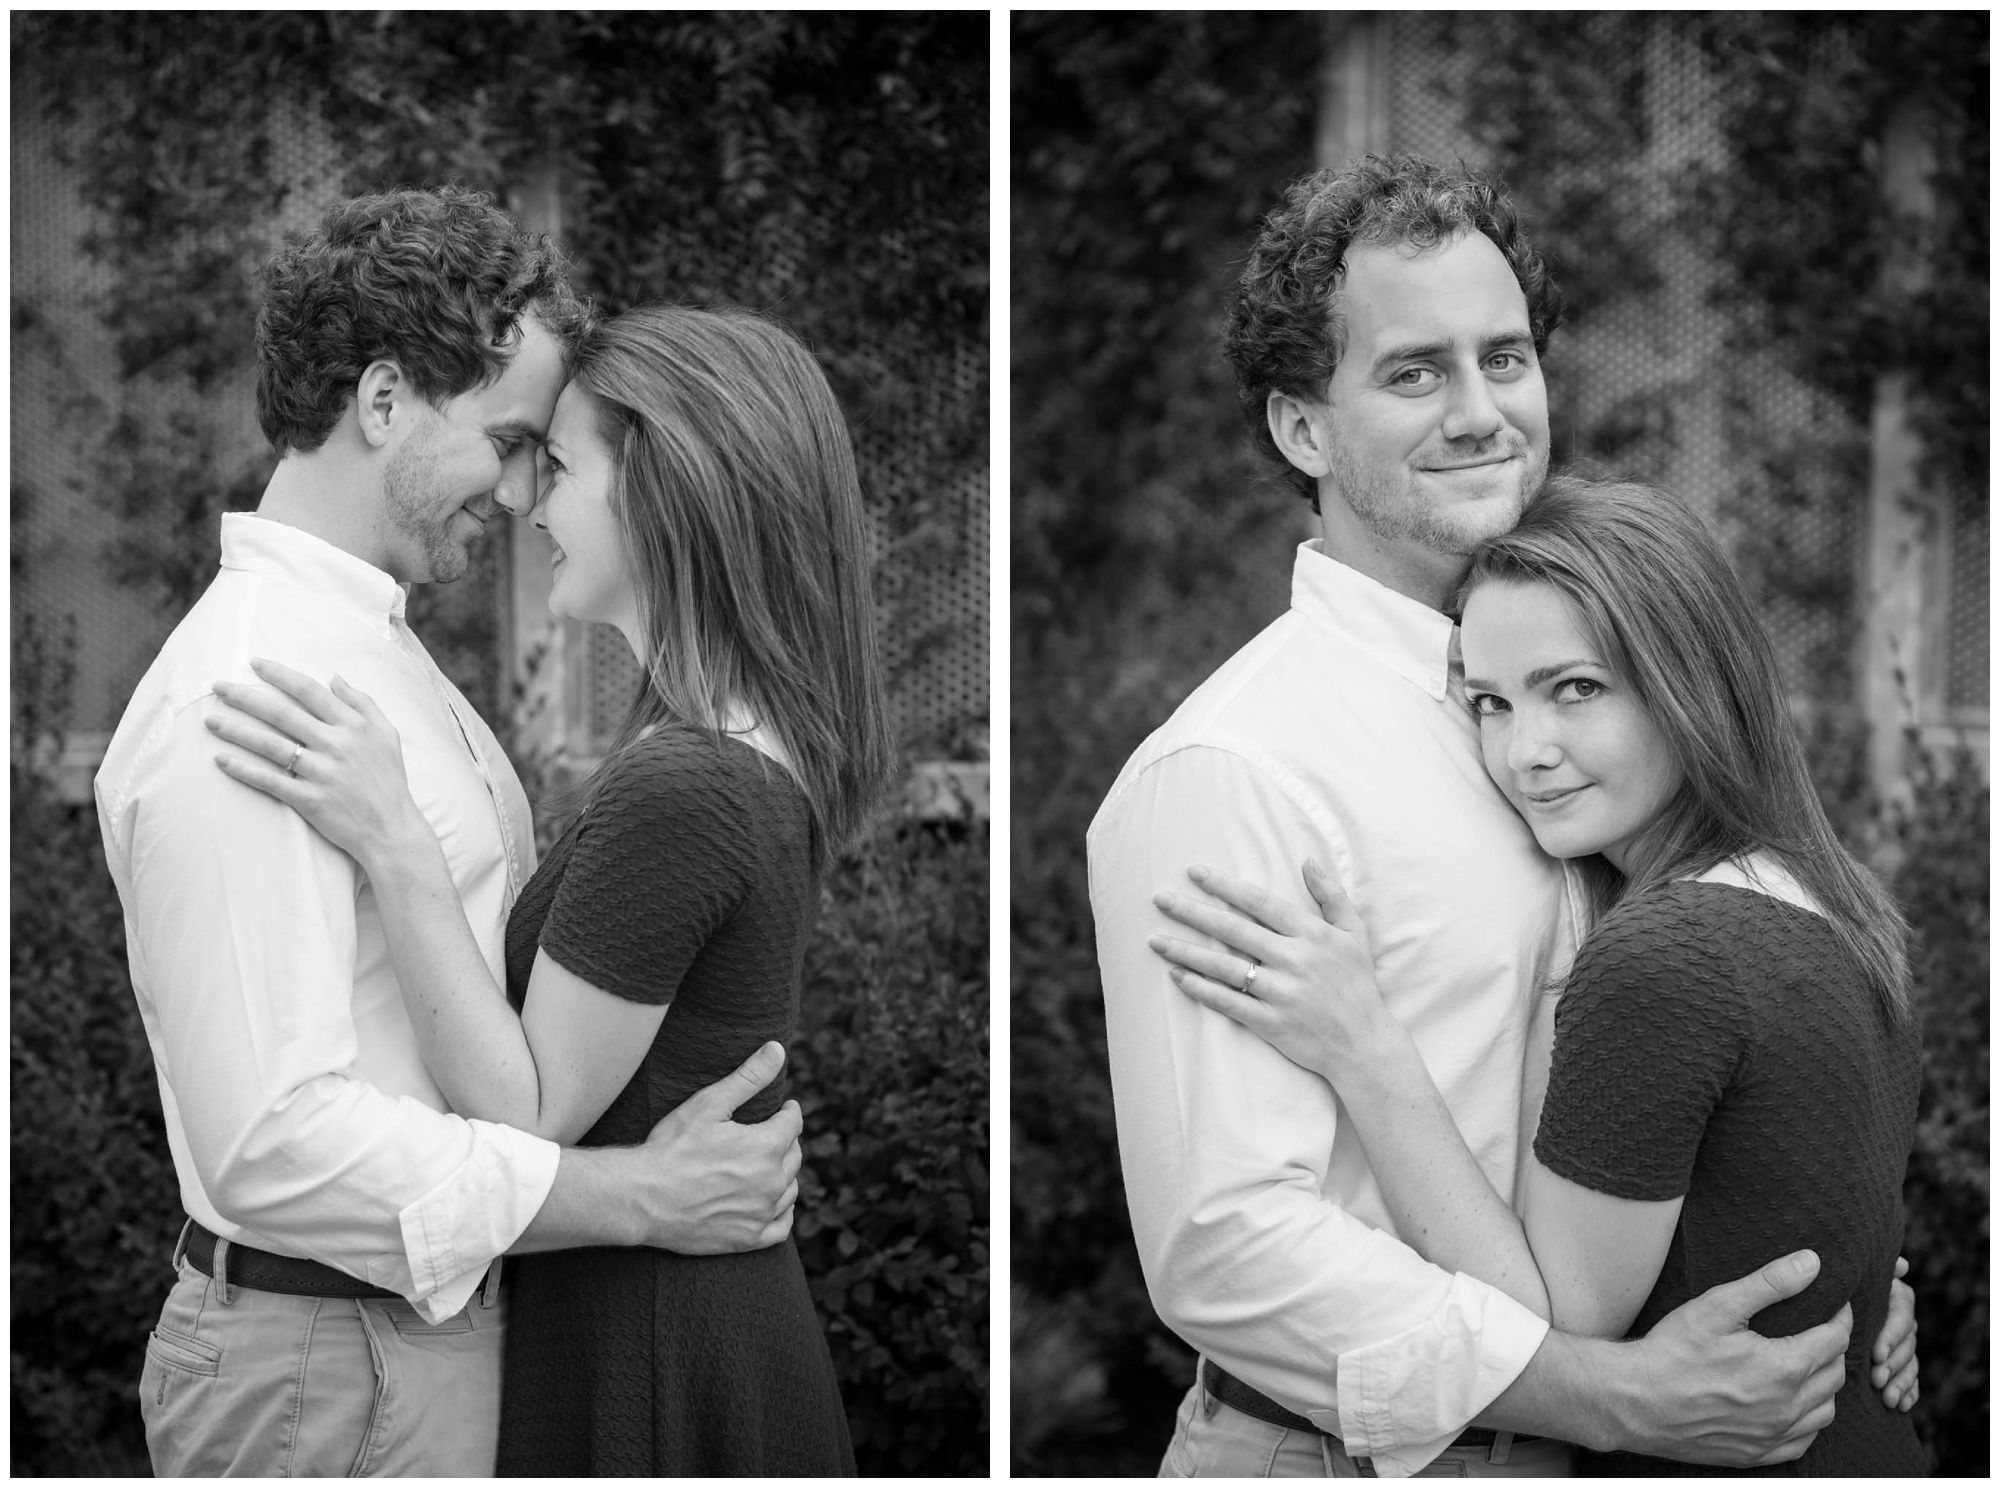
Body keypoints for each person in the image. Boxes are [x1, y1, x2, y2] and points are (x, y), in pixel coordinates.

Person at [1086, 155, 1918, 1478]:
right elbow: (1227, 1244)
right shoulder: (1234, 772)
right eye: (1416, 372)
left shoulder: (1589, 693)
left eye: (1507, 358)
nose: (1483, 412)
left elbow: (1719, 1044)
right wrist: (1598, 1397)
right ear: (1303, 429)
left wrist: (1834, 1265)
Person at [96, 187, 806, 1478]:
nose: (529, 487)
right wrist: (631, 1198)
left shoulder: (375, 656)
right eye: (512, 437)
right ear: (381, 403)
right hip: (323, 1368)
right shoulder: (249, 697)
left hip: (406, 1346)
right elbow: (272, 1140)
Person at [205, 301, 895, 1473]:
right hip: (667, 1313)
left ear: (667, 492)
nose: (527, 504)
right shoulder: (738, 744)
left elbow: (524, 1117)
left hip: (651, 1347)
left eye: (560, 466)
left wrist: (398, 848)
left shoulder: (691, 781)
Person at [1151, 475, 1928, 1476]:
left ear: (1693, 681)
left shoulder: (1665, 958)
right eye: (1488, 701)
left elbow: (1552, 1317)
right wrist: (1872, 1289)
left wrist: (1365, 1049)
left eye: (1575, 690)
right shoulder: (1834, 901)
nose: (1524, 752)